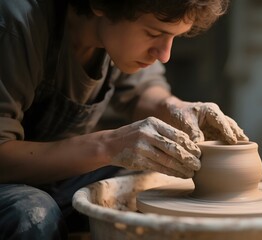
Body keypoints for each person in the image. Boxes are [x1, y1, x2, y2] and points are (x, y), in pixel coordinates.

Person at [0, 0, 248, 238]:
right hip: (11, 182)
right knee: (32, 214)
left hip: (53, 177)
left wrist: (178, 108)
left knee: (150, 179)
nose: (164, 55)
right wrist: (109, 145)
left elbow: (142, 92)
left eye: (174, 37)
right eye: (153, 33)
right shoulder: (16, 24)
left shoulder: (114, 35)